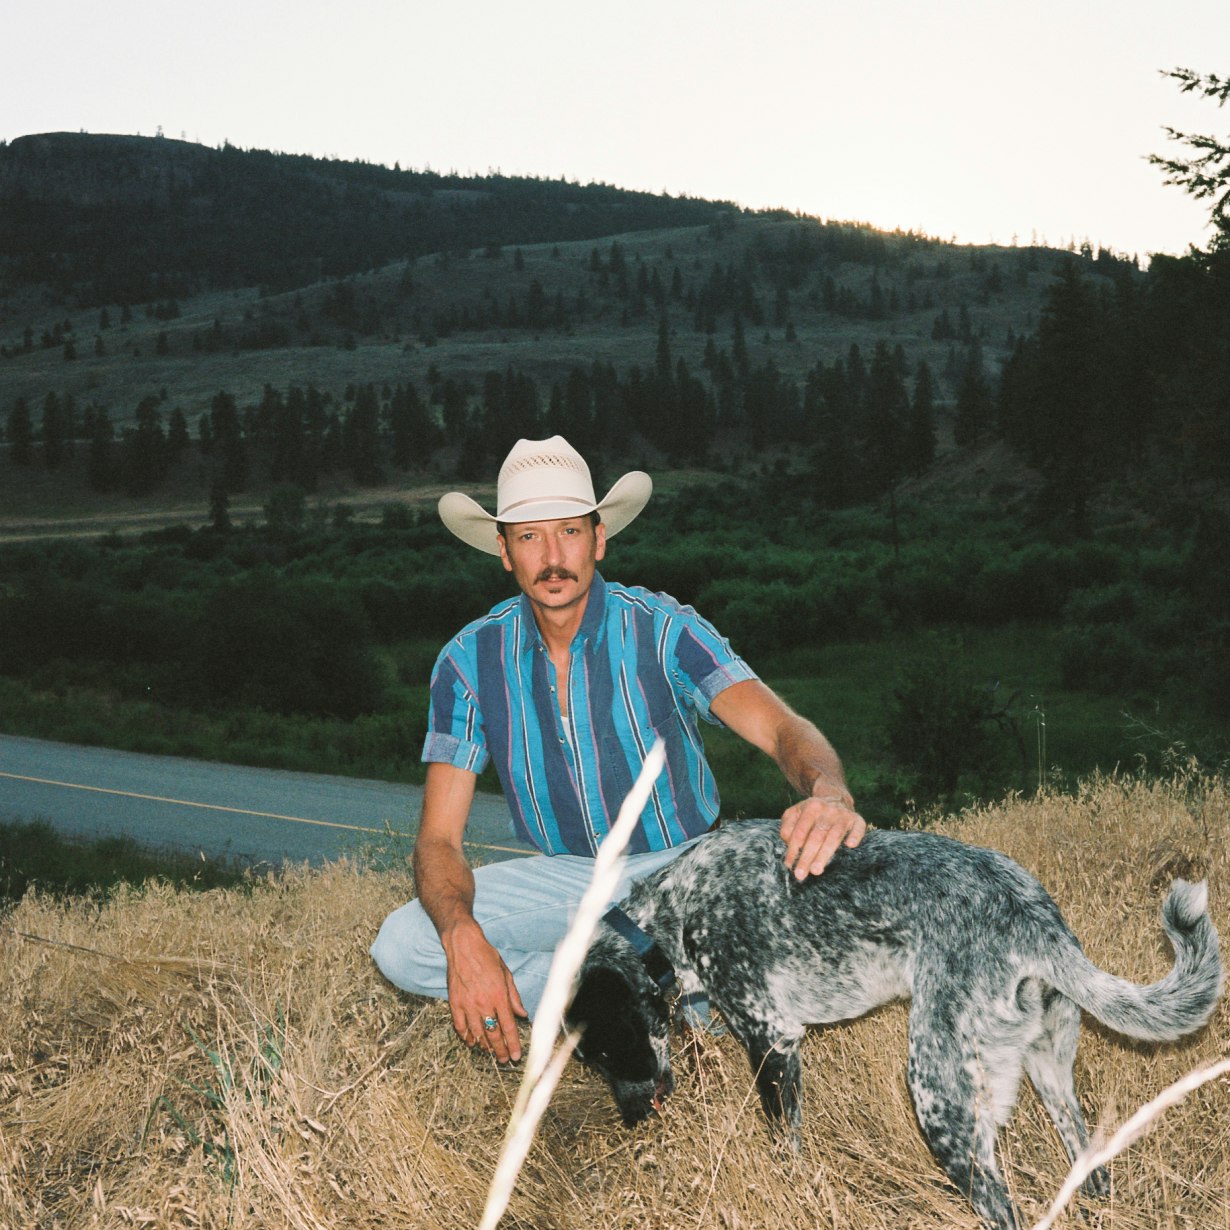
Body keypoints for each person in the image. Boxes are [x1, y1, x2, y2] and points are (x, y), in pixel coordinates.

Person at [370, 436, 865, 1063]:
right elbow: (438, 841)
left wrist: (828, 792)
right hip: (571, 878)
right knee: (405, 943)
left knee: (821, 904)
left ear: (599, 539)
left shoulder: (664, 629)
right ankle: (611, 1000)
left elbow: (783, 729)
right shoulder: (468, 662)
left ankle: (670, 988)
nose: (553, 557)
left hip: (685, 866)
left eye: (569, 531)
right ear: (503, 551)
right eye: (529, 536)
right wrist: (463, 934)